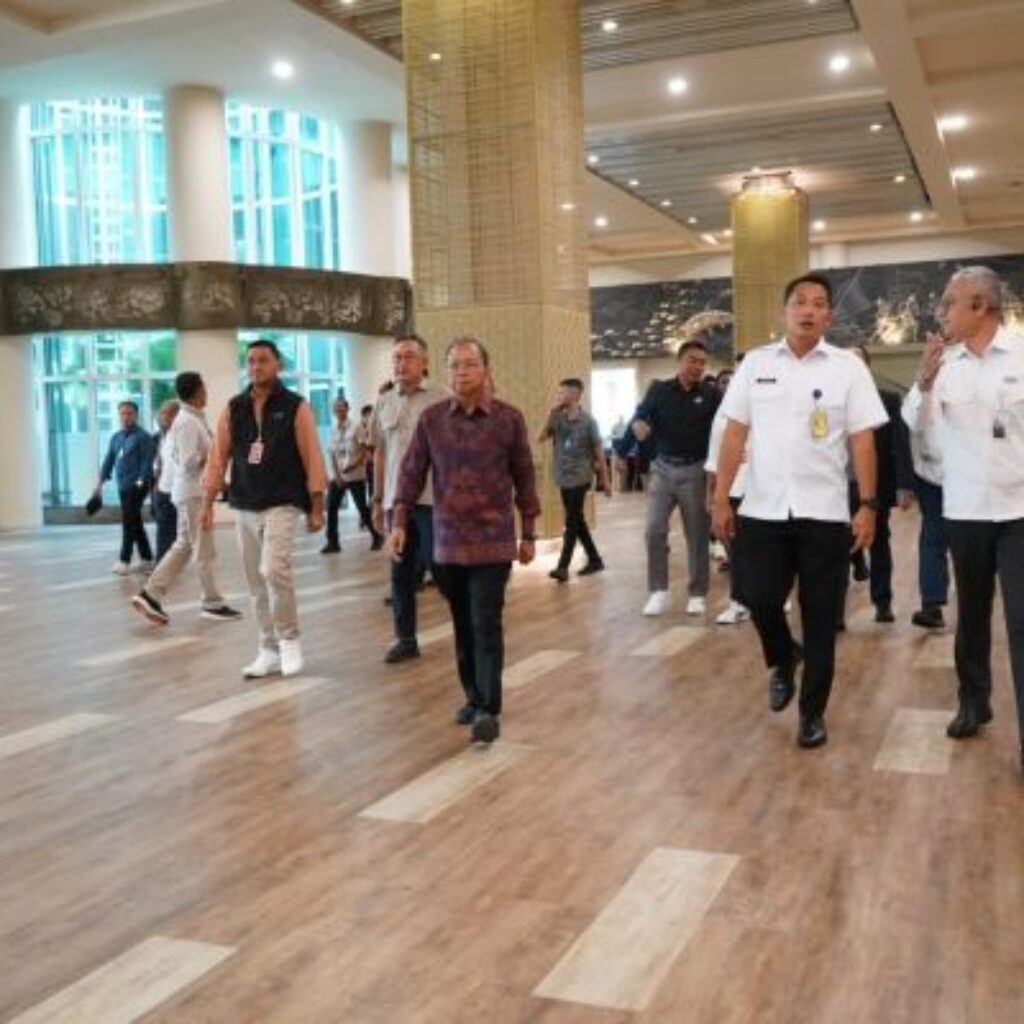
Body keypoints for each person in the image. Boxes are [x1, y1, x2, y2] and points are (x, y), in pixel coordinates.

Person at [712, 273, 887, 749]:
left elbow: (863, 440)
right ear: (784, 311)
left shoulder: (848, 368)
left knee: (822, 618)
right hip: (763, 508)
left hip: (824, 513)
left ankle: (812, 714)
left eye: (818, 303)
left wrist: (868, 504)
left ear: (829, 315)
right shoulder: (756, 364)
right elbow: (734, 433)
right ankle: (782, 657)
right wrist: (721, 496)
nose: (808, 310)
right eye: (799, 302)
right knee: (756, 595)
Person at [902, 266, 1024, 769]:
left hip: (1019, 509)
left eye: (950, 302)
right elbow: (917, 428)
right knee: (971, 615)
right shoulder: (944, 366)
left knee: (1021, 619)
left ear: (980, 306)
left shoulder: (1021, 355)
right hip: (965, 508)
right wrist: (924, 382)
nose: (942, 312)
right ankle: (974, 701)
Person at [390, 337, 540, 745]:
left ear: (486, 370)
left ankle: (489, 708)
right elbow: (411, 472)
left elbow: (525, 475)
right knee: (462, 622)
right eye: (454, 365)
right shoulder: (432, 419)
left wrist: (529, 531)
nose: (461, 372)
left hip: (494, 541)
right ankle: (473, 697)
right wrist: (399, 520)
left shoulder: (509, 419)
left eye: (470, 364)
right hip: (448, 542)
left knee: (485, 621)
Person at [202, 339, 328, 679]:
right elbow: (217, 457)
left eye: (263, 360)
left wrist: (317, 504)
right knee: (255, 580)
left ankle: (289, 639)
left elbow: (312, 454)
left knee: (274, 569)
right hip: (245, 501)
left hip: (283, 500)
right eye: (251, 361)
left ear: (278, 365)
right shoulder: (234, 407)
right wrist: (207, 502)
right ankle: (267, 648)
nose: (256, 366)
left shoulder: (295, 406)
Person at [131, 373, 241, 626]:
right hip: (192, 494)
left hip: (192, 492)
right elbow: (188, 462)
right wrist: (215, 454)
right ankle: (212, 603)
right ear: (197, 390)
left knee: (184, 546)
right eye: (204, 387)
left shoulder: (193, 418)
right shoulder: (187, 422)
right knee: (204, 550)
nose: (207, 391)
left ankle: (151, 594)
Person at [633, 339, 721, 616]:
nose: (698, 366)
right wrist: (639, 425)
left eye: (702, 362)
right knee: (654, 529)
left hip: (696, 470)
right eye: (693, 360)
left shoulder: (711, 395)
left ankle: (697, 593)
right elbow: (640, 415)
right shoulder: (659, 390)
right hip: (662, 469)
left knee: (696, 535)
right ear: (680, 361)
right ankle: (658, 590)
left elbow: (723, 429)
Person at [370, 334, 442, 664]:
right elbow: (380, 453)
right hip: (395, 502)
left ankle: (467, 627)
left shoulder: (442, 398)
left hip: (433, 499)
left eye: (409, 357)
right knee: (399, 573)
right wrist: (377, 499)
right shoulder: (384, 402)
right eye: (397, 358)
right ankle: (405, 639)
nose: (401, 363)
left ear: (424, 362)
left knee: (440, 568)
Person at [837, 346, 913, 626]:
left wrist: (904, 485)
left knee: (878, 542)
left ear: (867, 367)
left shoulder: (888, 400)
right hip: (837, 486)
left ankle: (883, 603)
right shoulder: (827, 400)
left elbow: (900, 444)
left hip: (874, 485)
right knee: (836, 547)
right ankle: (835, 612)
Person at [537, 377, 610, 583]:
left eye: (564, 392)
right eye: (560, 392)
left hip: (581, 477)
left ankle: (563, 567)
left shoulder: (589, 422)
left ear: (576, 394)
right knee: (577, 520)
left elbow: (599, 453)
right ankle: (595, 559)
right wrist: (550, 416)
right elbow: (540, 438)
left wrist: (605, 481)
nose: (560, 396)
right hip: (563, 477)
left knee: (571, 522)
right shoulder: (557, 418)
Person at [704, 368, 750, 625]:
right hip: (732, 489)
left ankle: (777, 597)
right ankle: (737, 602)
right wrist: (712, 497)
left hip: (765, 489)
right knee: (736, 548)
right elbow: (714, 459)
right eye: (726, 382)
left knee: (769, 549)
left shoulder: (767, 406)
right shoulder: (722, 415)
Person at [92, 400, 156, 575]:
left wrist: (139, 485)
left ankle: (124, 560)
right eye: (123, 413)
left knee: (128, 522)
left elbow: (147, 465)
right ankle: (147, 559)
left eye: (129, 413)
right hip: (123, 486)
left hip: (138, 486)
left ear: (136, 415)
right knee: (135, 522)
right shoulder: (116, 437)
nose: (126, 417)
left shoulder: (144, 437)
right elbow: (108, 461)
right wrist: (99, 484)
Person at [152, 399, 180, 564]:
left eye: (168, 414)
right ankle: (161, 562)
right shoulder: (160, 437)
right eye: (162, 414)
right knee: (163, 528)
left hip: (179, 490)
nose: (164, 418)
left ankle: (168, 563)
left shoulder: (181, 435)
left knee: (175, 531)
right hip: (162, 489)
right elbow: (159, 463)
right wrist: (156, 486)